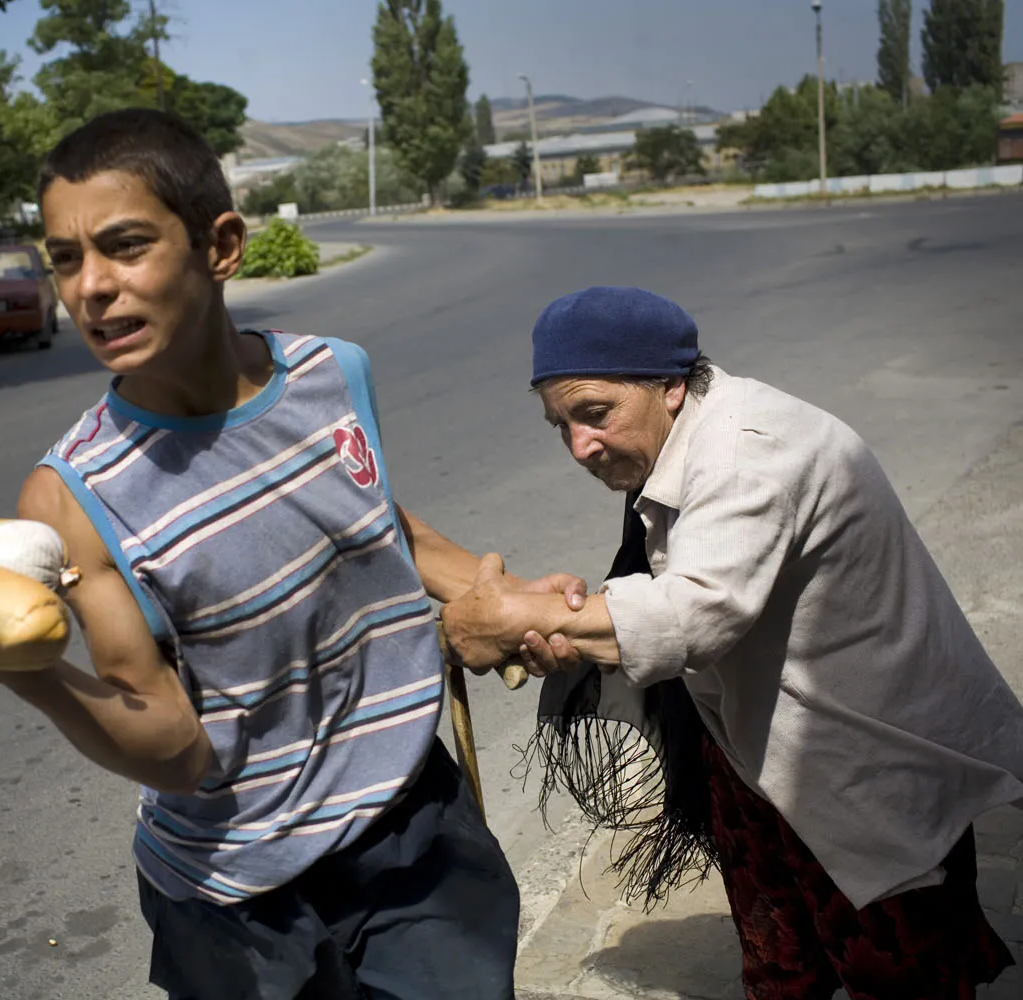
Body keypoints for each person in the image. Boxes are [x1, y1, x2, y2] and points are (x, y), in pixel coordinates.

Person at [0, 108, 581, 1000]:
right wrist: (18, 669)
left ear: (221, 246)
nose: (91, 287)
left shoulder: (331, 373)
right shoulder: (73, 496)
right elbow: (172, 748)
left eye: (124, 246)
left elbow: (375, 524)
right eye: (67, 258)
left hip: (414, 828)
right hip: (238, 906)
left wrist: (520, 606)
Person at [438, 286, 1023, 999]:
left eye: (595, 414)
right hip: (758, 753)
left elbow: (695, 612)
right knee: (781, 965)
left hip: (861, 756)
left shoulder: (749, 451)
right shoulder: (679, 439)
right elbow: (663, 594)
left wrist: (517, 621)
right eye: (560, 425)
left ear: (672, 386)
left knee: (899, 973)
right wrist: (556, 616)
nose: (579, 446)